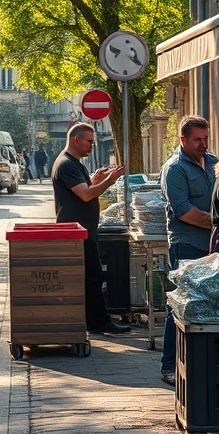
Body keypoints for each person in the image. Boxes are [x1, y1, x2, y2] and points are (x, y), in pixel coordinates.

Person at [51, 122, 130, 335]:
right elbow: (86, 194)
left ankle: (93, 320)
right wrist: (110, 181)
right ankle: (100, 321)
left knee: (91, 277)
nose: (92, 146)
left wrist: (97, 179)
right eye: (89, 142)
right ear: (76, 140)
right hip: (77, 233)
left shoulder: (73, 162)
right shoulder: (66, 164)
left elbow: (85, 187)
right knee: (93, 277)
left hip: (82, 231)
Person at [159, 115, 216, 385]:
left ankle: (203, 363)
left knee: (210, 303)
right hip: (188, 245)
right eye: (197, 140)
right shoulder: (175, 169)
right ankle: (169, 366)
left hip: (214, 245)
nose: (203, 144)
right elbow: (184, 212)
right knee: (180, 306)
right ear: (183, 139)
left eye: (205, 138)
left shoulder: (215, 162)